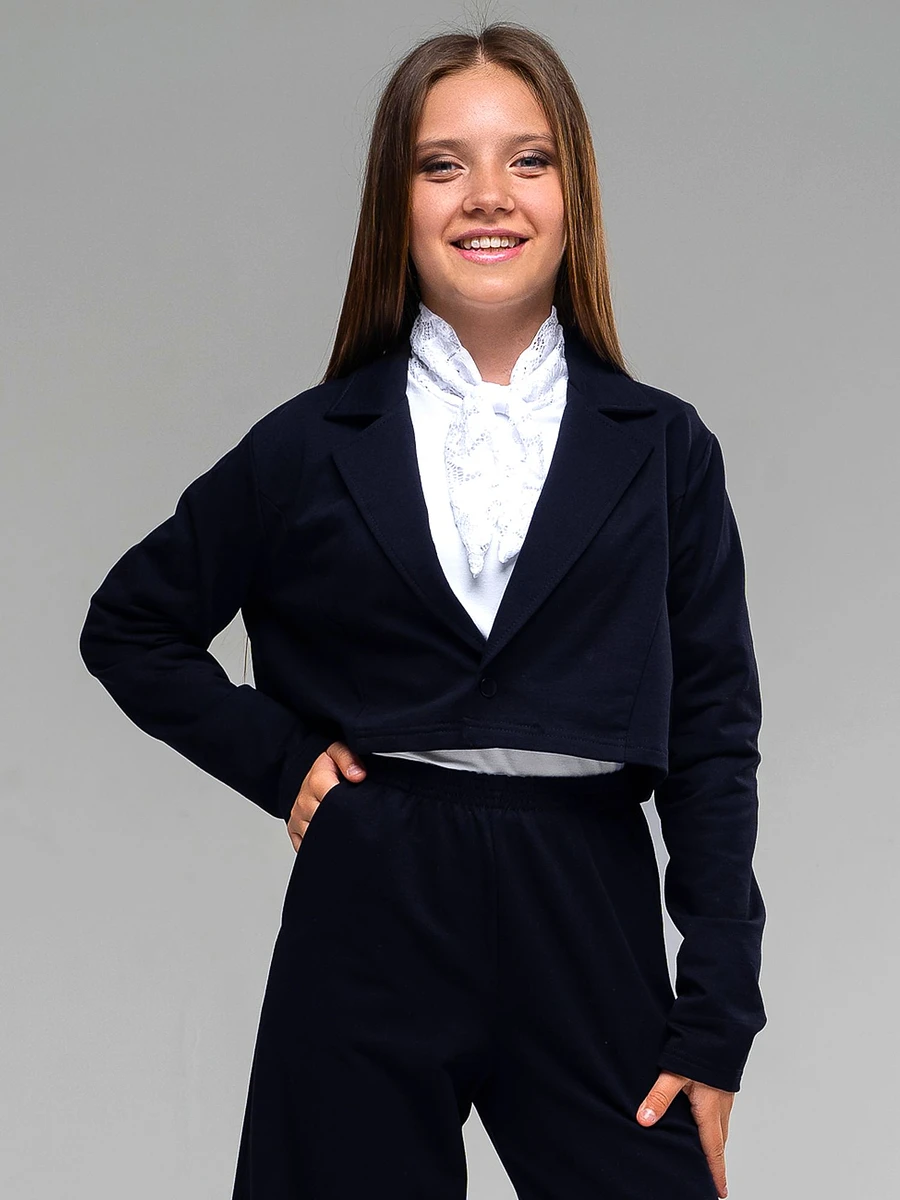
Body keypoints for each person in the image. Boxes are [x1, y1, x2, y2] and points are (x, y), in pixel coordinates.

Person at [78, 20, 766, 1200]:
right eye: (443, 164)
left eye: (528, 160)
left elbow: (712, 738)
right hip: (373, 893)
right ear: (393, 202)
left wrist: (717, 1015)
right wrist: (282, 761)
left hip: (586, 893)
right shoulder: (311, 444)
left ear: (573, 194)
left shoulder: (662, 448)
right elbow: (129, 623)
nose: (488, 194)